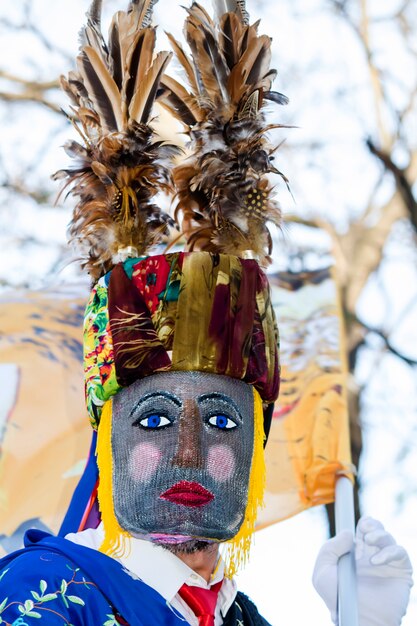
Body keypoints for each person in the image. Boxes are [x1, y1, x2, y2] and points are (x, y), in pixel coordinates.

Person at [0, 1, 413, 625]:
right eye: (157, 418)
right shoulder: (48, 591)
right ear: (107, 442)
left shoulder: (243, 619)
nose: (189, 452)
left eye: (221, 421)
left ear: (256, 447)